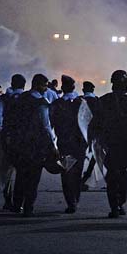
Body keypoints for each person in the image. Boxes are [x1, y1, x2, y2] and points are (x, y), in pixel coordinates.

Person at [89, 70, 127, 218]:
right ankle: (119, 202)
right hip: (123, 144)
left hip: (108, 143)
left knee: (112, 173)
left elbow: (94, 124)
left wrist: (92, 141)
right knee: (121, 171)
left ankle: (115, 205)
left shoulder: (103, 100)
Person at [7, 73, 59, 216]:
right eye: (44, 85)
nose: (46, 88)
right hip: (36, 145)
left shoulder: (20, 99)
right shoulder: (41, 102)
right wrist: (53, 145)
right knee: (33, 177)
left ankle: (17, 204)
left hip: (20, 143)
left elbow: (11, 120)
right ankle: (28, 207)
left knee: (21, 174)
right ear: (38, 85)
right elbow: (46, 126)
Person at [50, 75, 88, 214]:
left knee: (66, 173)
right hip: (79, 144)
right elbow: (88, 123)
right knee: (77, 172)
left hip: (64, 143)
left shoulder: (57, 104)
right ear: (73, 87)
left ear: (63, 88)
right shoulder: (82, 103)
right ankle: (75, 199)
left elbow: (51, 124)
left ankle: (70, 201)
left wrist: (52, 143)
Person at [0, 74, 27, 211]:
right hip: (24, 140)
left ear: (12, 84)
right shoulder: (28, 99)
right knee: (22, 171)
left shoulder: (4, 98)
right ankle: (18, 202)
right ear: (24, 85)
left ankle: (8, 200)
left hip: (8, 138)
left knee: (6, 171)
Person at [80, 81, 99, 191]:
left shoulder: (79, 100)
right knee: (93, 156)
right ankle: (86, 176)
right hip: (94, 132)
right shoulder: (97, 101)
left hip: (80, 132)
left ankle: (77, 177)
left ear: (83, 90)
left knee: (80, 155)